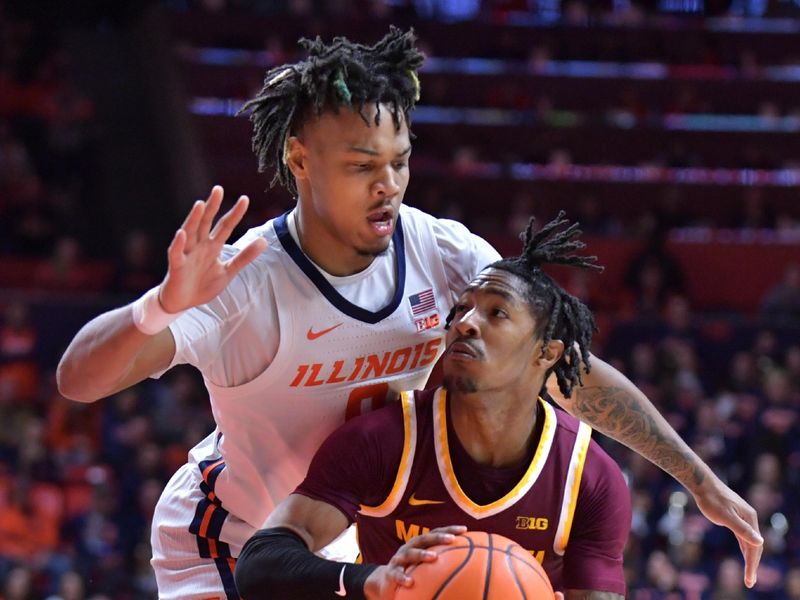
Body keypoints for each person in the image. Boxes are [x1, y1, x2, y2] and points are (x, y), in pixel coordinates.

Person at [56, 28, 761, 599]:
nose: (388, 186)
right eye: (363, 165)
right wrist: (159, 307)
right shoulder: (245, 281)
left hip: (353, 540)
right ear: (300, 159)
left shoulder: (443, 252)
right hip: (233, 538)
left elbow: (556, 364)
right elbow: (78, 381)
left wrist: (699, 479)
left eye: (399, 161)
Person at [234, 215, 632, 599]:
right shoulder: (384, 441)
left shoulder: (588, 478)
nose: (465, 323)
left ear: (547, 351)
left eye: (497, 312)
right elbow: (259, 564)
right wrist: (369, 579)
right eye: (460, 309)